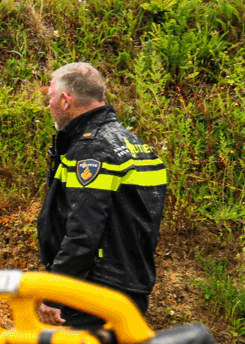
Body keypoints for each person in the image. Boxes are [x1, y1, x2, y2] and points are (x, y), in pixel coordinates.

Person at [36, 62, 167, 328]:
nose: (47, 105)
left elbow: (83, 232)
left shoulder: (90, 150)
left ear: (65, 100)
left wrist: (56, 292)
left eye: (50, 97)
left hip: (93, 293)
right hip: (131, 286)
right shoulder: (136, 145)